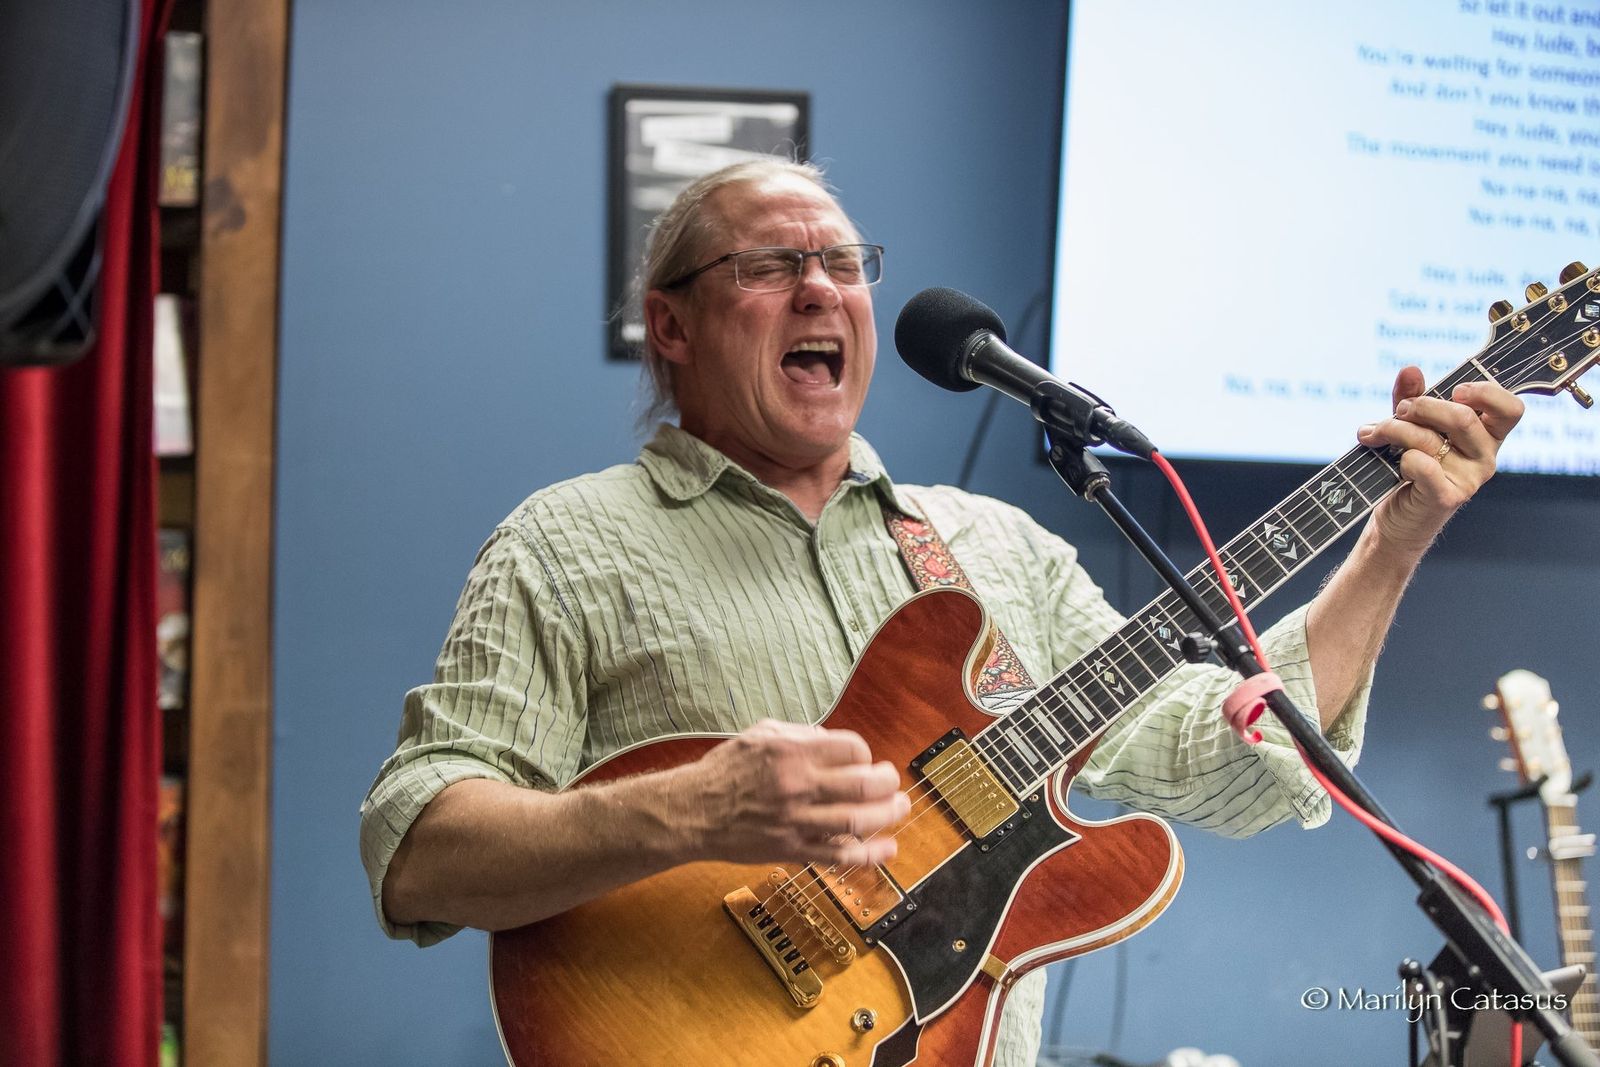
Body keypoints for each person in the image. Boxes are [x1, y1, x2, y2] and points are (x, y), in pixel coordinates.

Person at [359, 159, 1523, 1065]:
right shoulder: (566, 543)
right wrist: (689, 807)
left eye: (842, 261)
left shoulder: (995, 548)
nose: (820, 286)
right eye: (768, 265)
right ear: (671, 326)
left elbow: (1229, 766)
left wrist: (1393, 537)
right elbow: (417, 850)